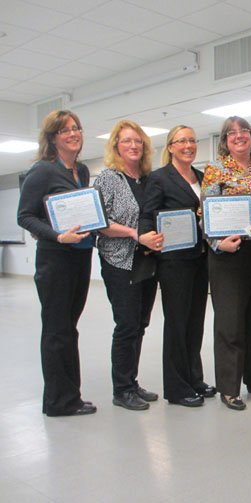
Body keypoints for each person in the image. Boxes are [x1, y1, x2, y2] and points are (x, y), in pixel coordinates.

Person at [17, 110, 97, 417]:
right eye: (66, 130)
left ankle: (71, 396)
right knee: (56, 331)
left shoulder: (82, 170)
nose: (74, 134)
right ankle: (56, 402)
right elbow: (25, 216)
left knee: (69, 329)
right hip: (55, 259)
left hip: (80, 257)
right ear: (53, 138)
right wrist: (56, 236)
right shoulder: (42, 171)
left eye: (77, 128)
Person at [201, 116, 251, 411]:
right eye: (232, 133)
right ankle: (229, 387)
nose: (239, 136)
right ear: (225, 140)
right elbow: (205, 215)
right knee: (230, 322)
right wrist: (216, 243)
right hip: (229, 253)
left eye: (244, 131)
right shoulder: (215, 170)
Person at [138, 125, 215, 407]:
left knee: (195, 322)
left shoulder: (202, 177)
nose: (188, 145)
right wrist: (148, 237)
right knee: (177, 323)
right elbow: (148, 215)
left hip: (200, 258)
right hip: (174, 261)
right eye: (182, 140)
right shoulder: (159, 179)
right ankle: (177, 387)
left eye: (193, 140)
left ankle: (194, 378)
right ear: (170, 147)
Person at [94, 120, 158, 411]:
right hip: (119, 261)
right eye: (127, 141)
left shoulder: (147, 179)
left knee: (141, 325)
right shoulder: (108, 178)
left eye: (138, 141)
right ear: (116, 146)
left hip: (147, 260)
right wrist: (134, 233)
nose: (133, 146)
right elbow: (100, 222)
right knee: (127, 325)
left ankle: (132, 383)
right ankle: (122, 390)